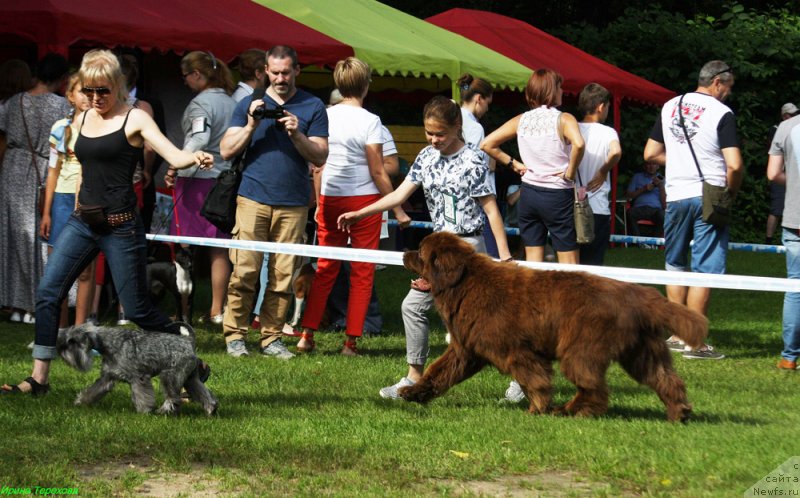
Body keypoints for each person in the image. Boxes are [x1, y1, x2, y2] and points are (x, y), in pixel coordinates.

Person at [1, 49, 214, 395]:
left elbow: (173, 153)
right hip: (83, 221)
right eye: (89, 90)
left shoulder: (135, 119)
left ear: (117, 85)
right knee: (46, 294)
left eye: (103, 90)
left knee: (140, 310)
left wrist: (196, 157)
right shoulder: (82, 118)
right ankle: (39, 379)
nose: (96, 97)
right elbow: (86, 167)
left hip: (121, 226)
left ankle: (191, 359)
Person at [338, 96, 511, 397]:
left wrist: (505, 256)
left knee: (484, 321)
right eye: (428, 133)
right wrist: (361, 212)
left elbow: (492, 209)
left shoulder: (474, 160)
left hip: (468, 249)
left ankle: (520, 378)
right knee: (413, 306)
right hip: (437, 253)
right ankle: (413, 376)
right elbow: (399, 194)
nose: (433, 139)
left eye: (440, 134)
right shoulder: (426, 157)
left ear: (457, 127)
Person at [219, 45, 328, 359]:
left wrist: (297, 134)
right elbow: (226, 149)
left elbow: (321, 154)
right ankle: (235, 337)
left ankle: (271, 339)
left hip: (293, 203)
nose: (280, 78)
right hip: (252, 198)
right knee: (244, 272)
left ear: (297, 71)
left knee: (283, 275)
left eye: (286, 72)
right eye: (274, 72)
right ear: (265, 71)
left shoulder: (313, 106)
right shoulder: (249, 103)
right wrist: (252, 125)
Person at [296, 57, 409, 356]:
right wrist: (397, 209)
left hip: (331, 199)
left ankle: (307, 335)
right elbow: (377, 171)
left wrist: (320, 203)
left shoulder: (325, 116)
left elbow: (318, 167)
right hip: (365, 203)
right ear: (366, 85)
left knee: (325, 268)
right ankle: (350, 343)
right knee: (362, 271)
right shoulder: (371, 121)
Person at [643, 60, 744, 360]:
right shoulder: (721, 113)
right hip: (708, 193)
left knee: (674, 263)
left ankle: (676, 333)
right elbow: (735, 164)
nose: (728, 93)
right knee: (705, 267)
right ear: (716, 82)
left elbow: (650, 153)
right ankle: (695, 342)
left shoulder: (670, 106)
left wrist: (678, 162)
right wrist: (731, 191)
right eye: (728, 87)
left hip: (675, 194)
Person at [481, 68, 585, 265]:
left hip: (528, 194)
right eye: (559, 87)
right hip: (557, 195)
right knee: (570, 266)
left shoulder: (522, 120)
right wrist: (570, 172)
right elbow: (579, 144)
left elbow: (487, 143)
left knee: (533, 265)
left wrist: (513, 163)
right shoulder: (564, 119)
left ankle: (532, 297)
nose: (562, 91)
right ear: (551, 90)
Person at [164, 51, 236, 325]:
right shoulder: (231, 102)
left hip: (195, 181)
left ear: (197, 75)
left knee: (185, 247)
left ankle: (183, 311)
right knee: (219, 248)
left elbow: (198, 138)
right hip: (223, 182)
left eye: (186, 76)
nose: (184, 82)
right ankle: (218, 310)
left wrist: (175, 165)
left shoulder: (200, 105)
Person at [0, 53, 70, 325]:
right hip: (46, 169)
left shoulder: (12, 102)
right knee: (42, 239)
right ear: (63, 79)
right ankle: (35, 304)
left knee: (15, 237)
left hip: (13, 168)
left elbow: (3, 141)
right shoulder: (62, 106)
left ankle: (16, 304)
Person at [40, 73, 94, 329]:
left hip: (89, 199)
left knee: (85, 270)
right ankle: (58, 330)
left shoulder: (102, 128)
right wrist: (47, 212)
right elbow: (52, 170)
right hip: (61, 199)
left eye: (93, 91)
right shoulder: (60, 128)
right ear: (70, 95)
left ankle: (81, 332)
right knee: (57, 269)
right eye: (83, 91)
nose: (89, 96)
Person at [767, 108, 800, 370]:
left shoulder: (786, 127)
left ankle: (789, 357)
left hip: (795, 218)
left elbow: (773, 174)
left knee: (795, 288)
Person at [576, 83, 621, 265]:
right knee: (593, 265)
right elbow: (616, 152)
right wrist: (603, 170)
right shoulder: (608, 132)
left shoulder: (572, 129)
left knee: (571, 265)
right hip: (597, 207)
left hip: (571, 207)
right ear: (601, 106)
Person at [458, 73, 499, 257]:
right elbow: (478, 167)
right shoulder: (475, 128)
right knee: (487, 258)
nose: (487, 109)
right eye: (487, 104)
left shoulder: (451, 117)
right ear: (478, 99)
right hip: (477, 201)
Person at [765, 103, 797, 245]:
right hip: (780, 173)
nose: (795, 118)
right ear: (784, 116)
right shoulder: (776, 129)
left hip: (789, 173)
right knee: (777, 208)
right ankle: (769, 240)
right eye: (792, 115)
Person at [626, 161, 666, 238]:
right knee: (630, 213)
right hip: (639, 208)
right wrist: (644, 189)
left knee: (663, 215)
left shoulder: (663, 180)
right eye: (649, 164)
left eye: (654, 164)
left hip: (656, 210)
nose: (651, 166)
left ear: (658, 166)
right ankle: (637, 242)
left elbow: (665, 204)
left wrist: (661, 187)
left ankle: (654, 243)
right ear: (645, 166)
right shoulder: (637, 177)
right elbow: (628, 196)